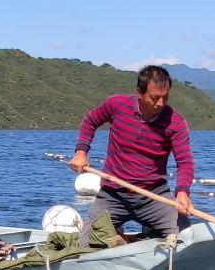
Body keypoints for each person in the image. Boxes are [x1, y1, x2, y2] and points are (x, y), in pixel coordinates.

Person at [68, 65, 195, 239]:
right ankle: (118, 234)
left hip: (154, 195)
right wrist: (81, 152)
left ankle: (151, 231)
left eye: (165, 98)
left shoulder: (176, 122)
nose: (161, 103)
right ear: (140, 93)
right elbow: (90, 121)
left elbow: (185, 162)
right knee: (86, 245)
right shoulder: (117, 105)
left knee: (185, 237)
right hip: (112, 194)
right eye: (155, 98)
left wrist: (182, 192)